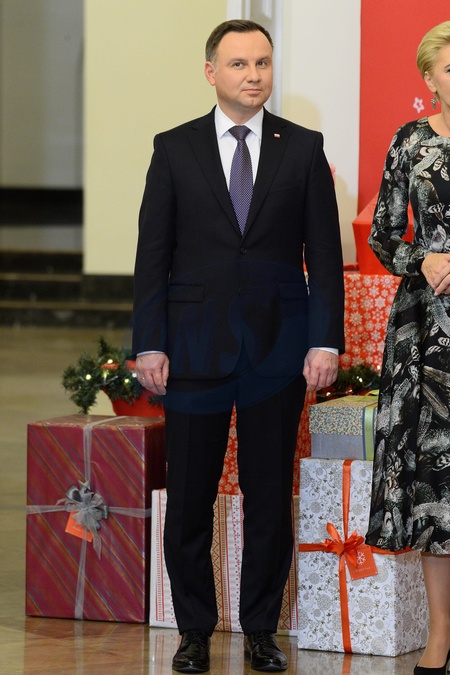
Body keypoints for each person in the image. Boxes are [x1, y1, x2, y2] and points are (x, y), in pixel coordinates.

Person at [133, 19, 344, 673]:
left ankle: (260, 630)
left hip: (278, 352)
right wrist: (149, 343)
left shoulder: (302, 148)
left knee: (267, 495)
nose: (254, 75)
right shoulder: (174, 148)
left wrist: (325, 341)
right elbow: (152, 256)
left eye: (263, 63)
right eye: (239, 64)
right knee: (189, 497)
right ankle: (194, 630)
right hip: (193, 350)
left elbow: (325, 258)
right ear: (211, 72)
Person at [365, 20, 450, 675]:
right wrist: (421, 257)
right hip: (425, 331)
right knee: (434, 483)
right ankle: (441, 634)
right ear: (429, 79)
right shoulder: (411, 141)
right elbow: (383, 233)